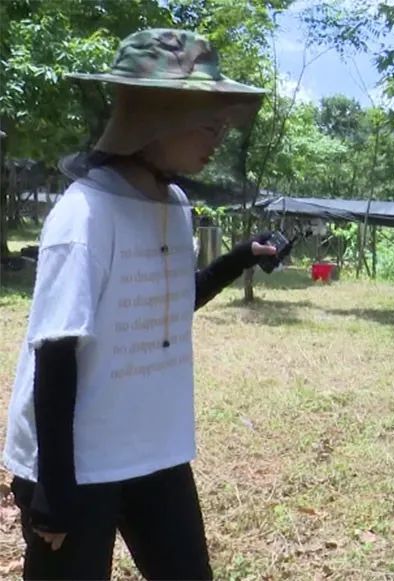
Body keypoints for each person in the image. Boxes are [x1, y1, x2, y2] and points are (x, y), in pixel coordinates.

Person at [3, 28, 278, 580]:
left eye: (223, 124)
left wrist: (240, 258)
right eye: (209, 123)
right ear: (155, 116)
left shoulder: (173, 203)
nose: (218, 137)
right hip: (76, 463)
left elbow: (167, 304)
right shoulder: (84, 216)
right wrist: (54, 488)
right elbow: (56, 353)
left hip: (154, 448)